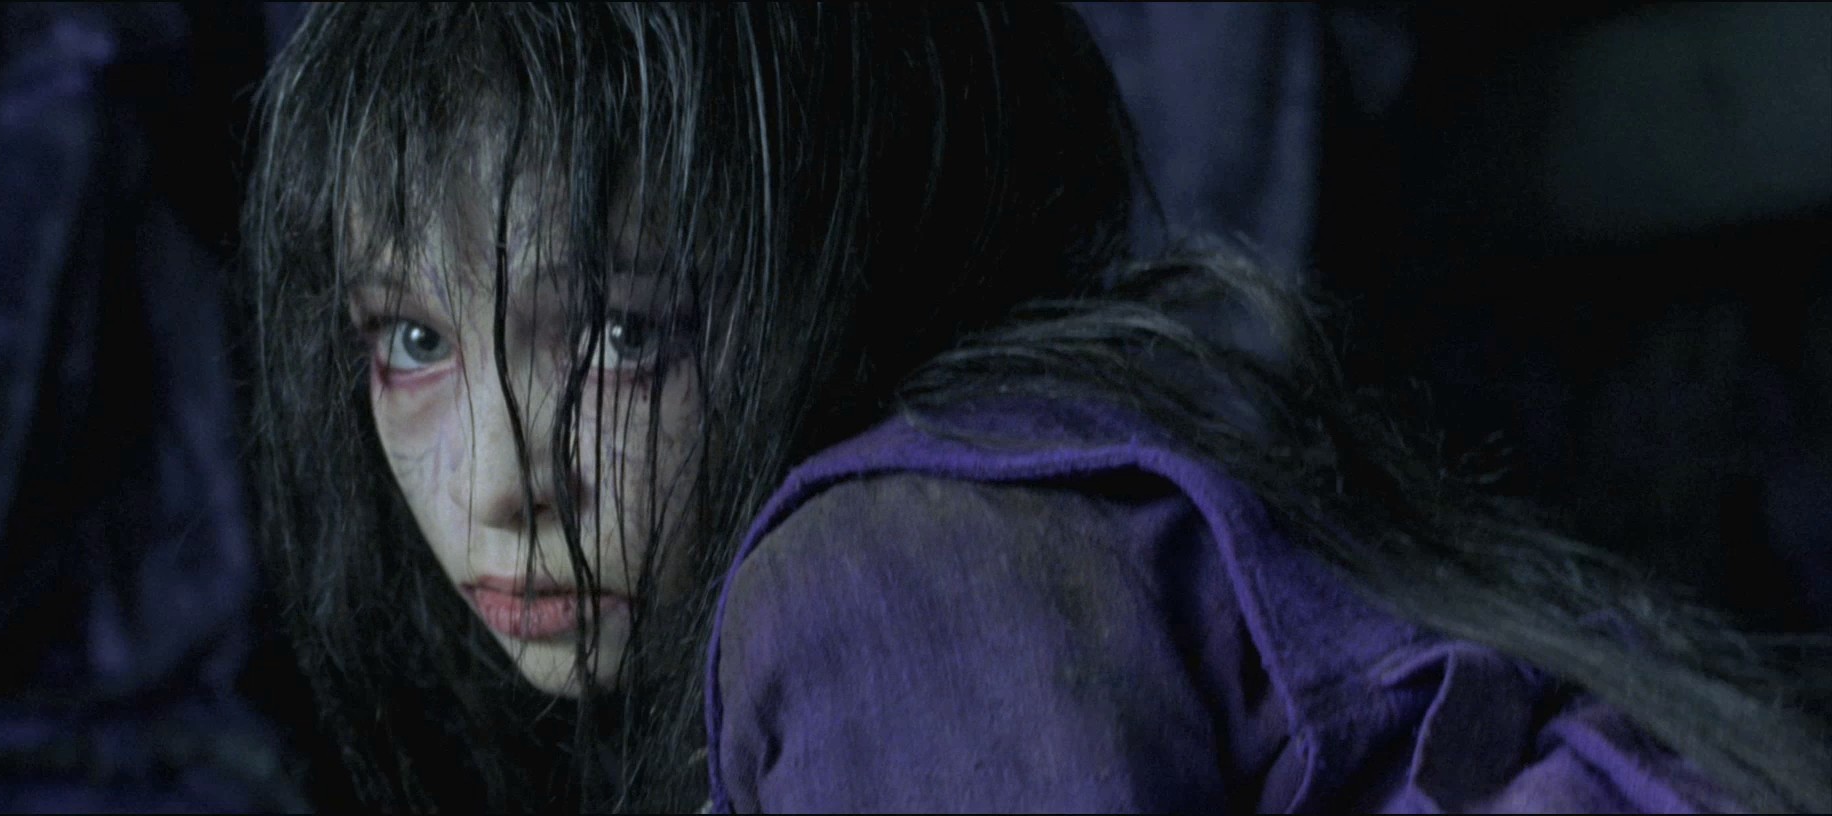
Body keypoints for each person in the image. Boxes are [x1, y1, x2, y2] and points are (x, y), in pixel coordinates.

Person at [243, 4, 1831, 812]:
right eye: (413, 342)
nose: (503, 478)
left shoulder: (888, 573)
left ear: (842, 260)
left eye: (621, 336)